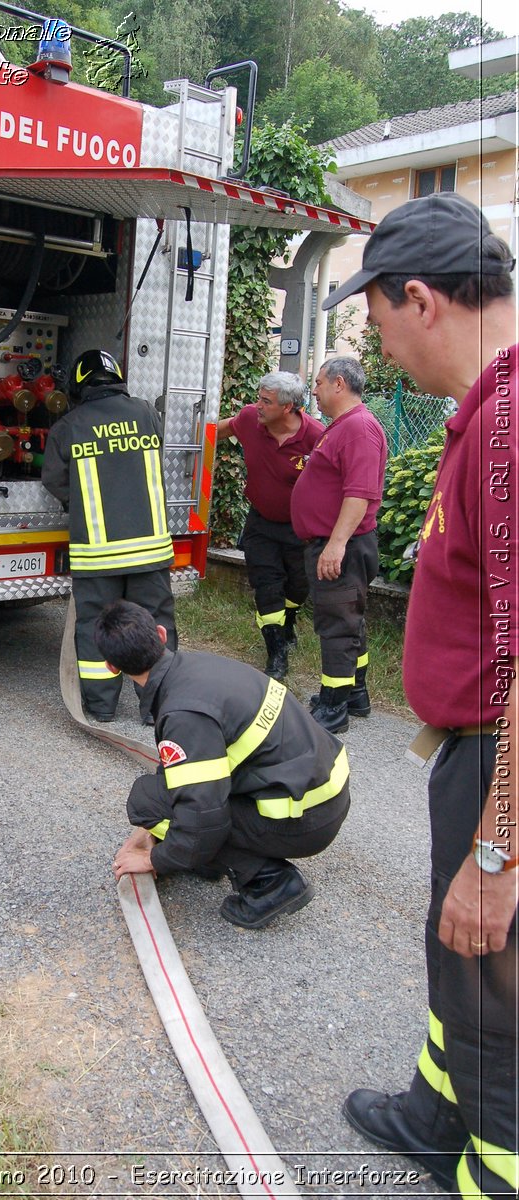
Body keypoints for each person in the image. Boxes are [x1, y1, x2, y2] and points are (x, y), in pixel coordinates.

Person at [322, 192, 518, 1198]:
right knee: (460, 962)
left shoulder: (510, 432)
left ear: (422, 301)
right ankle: (436, 1119)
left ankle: (495, 1170)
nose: (379, 344)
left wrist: (496, 853)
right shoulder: (485, 414)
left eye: (379, 317)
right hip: (475, 753)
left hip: (503, 766)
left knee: (494, 982)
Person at [94, 599, 351, 929]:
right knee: (166, 794)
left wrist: (154, 858)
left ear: (112, 667)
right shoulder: (198, 667)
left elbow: (202, 814)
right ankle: (212, 859)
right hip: (323, 794)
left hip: (306, 820)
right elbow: (189, 771)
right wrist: (152, 837)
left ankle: (270, 882)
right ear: (161, 635)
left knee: (148, 801)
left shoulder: (184, 714)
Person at [42, 349, 176, 722]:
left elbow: (53, 479)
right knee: (155, 623)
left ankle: (101, 709)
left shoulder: (68, 426)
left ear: (79, 385)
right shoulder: (147, 413)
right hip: (149, 550)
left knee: (95, 628)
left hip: (97, 555)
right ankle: (159, 706)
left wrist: (82, 502)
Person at [290, 356, 387, 733]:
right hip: (337, 541)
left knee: (337, 626)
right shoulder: (342, 426)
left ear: (339, 384)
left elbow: (359, 493)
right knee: (349, 622)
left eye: (318, 382)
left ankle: (333, 708)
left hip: (342, 546)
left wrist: (335, 544)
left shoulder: (358, 429)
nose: (313, 389)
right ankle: (354, 694)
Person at [217, 372, 324, 680]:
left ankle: (288, 622)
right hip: (261, 524)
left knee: (297, 587)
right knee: (267, 588)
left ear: (289, 407)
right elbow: (219, 430)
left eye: (266, 401)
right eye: (259, 397)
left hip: (300, 529)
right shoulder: (251, 419)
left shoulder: (316, 437)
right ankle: (276, 654)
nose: (258, 405)